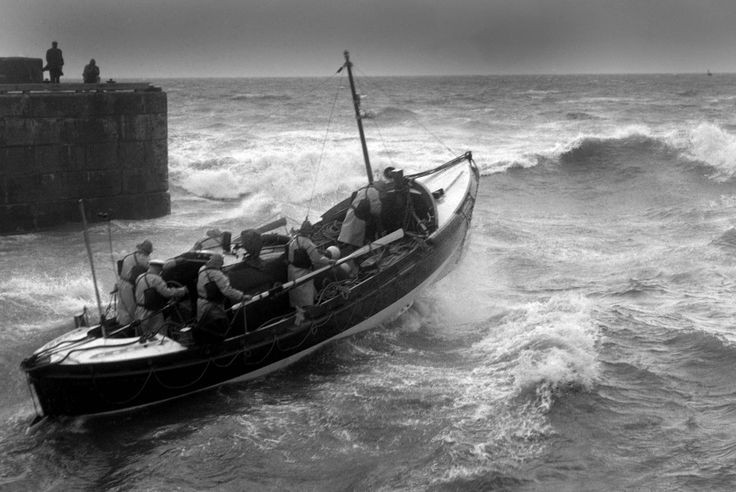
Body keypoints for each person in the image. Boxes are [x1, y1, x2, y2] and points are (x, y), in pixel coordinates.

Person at [288, 220, 334, 324]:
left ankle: (299, 319)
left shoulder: (293, 240)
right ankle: (312, 321)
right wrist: (329, 261)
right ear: (309, 232)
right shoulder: (308, 243)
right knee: (306, 299)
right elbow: (317, 260)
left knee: (299, 300)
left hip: (292, 272)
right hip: (302, 274)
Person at [195, 253, 249, 343]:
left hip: (200, 304)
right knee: (220, 329)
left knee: (204, 327)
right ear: (220, 263)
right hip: (213, 307)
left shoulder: (202, 269)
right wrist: (242, 296)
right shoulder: (217, 274)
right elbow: (227, 290)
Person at [134, 260, 188, 338]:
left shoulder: (140, 277)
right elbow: (167, 293)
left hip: (139, 310)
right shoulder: (156, 279)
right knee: (159, 334)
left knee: (143, 334)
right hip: (152, 312)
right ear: (159, 269)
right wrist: (182, 290)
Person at [116, 240, 153, 325]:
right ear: (147, 251)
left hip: (121, 283)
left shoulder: (130, 256)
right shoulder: (143, 258)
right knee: (130, 310)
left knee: (121, 307)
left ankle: (120, 325)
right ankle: (128, 329)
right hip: (128, 287)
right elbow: (151, 270)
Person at [337, 184, 382, 250]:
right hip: (358, 218)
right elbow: (376, 211)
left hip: (352, 215)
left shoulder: (362, 191)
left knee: (353, 238)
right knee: (357, 238)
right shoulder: (373, 193)